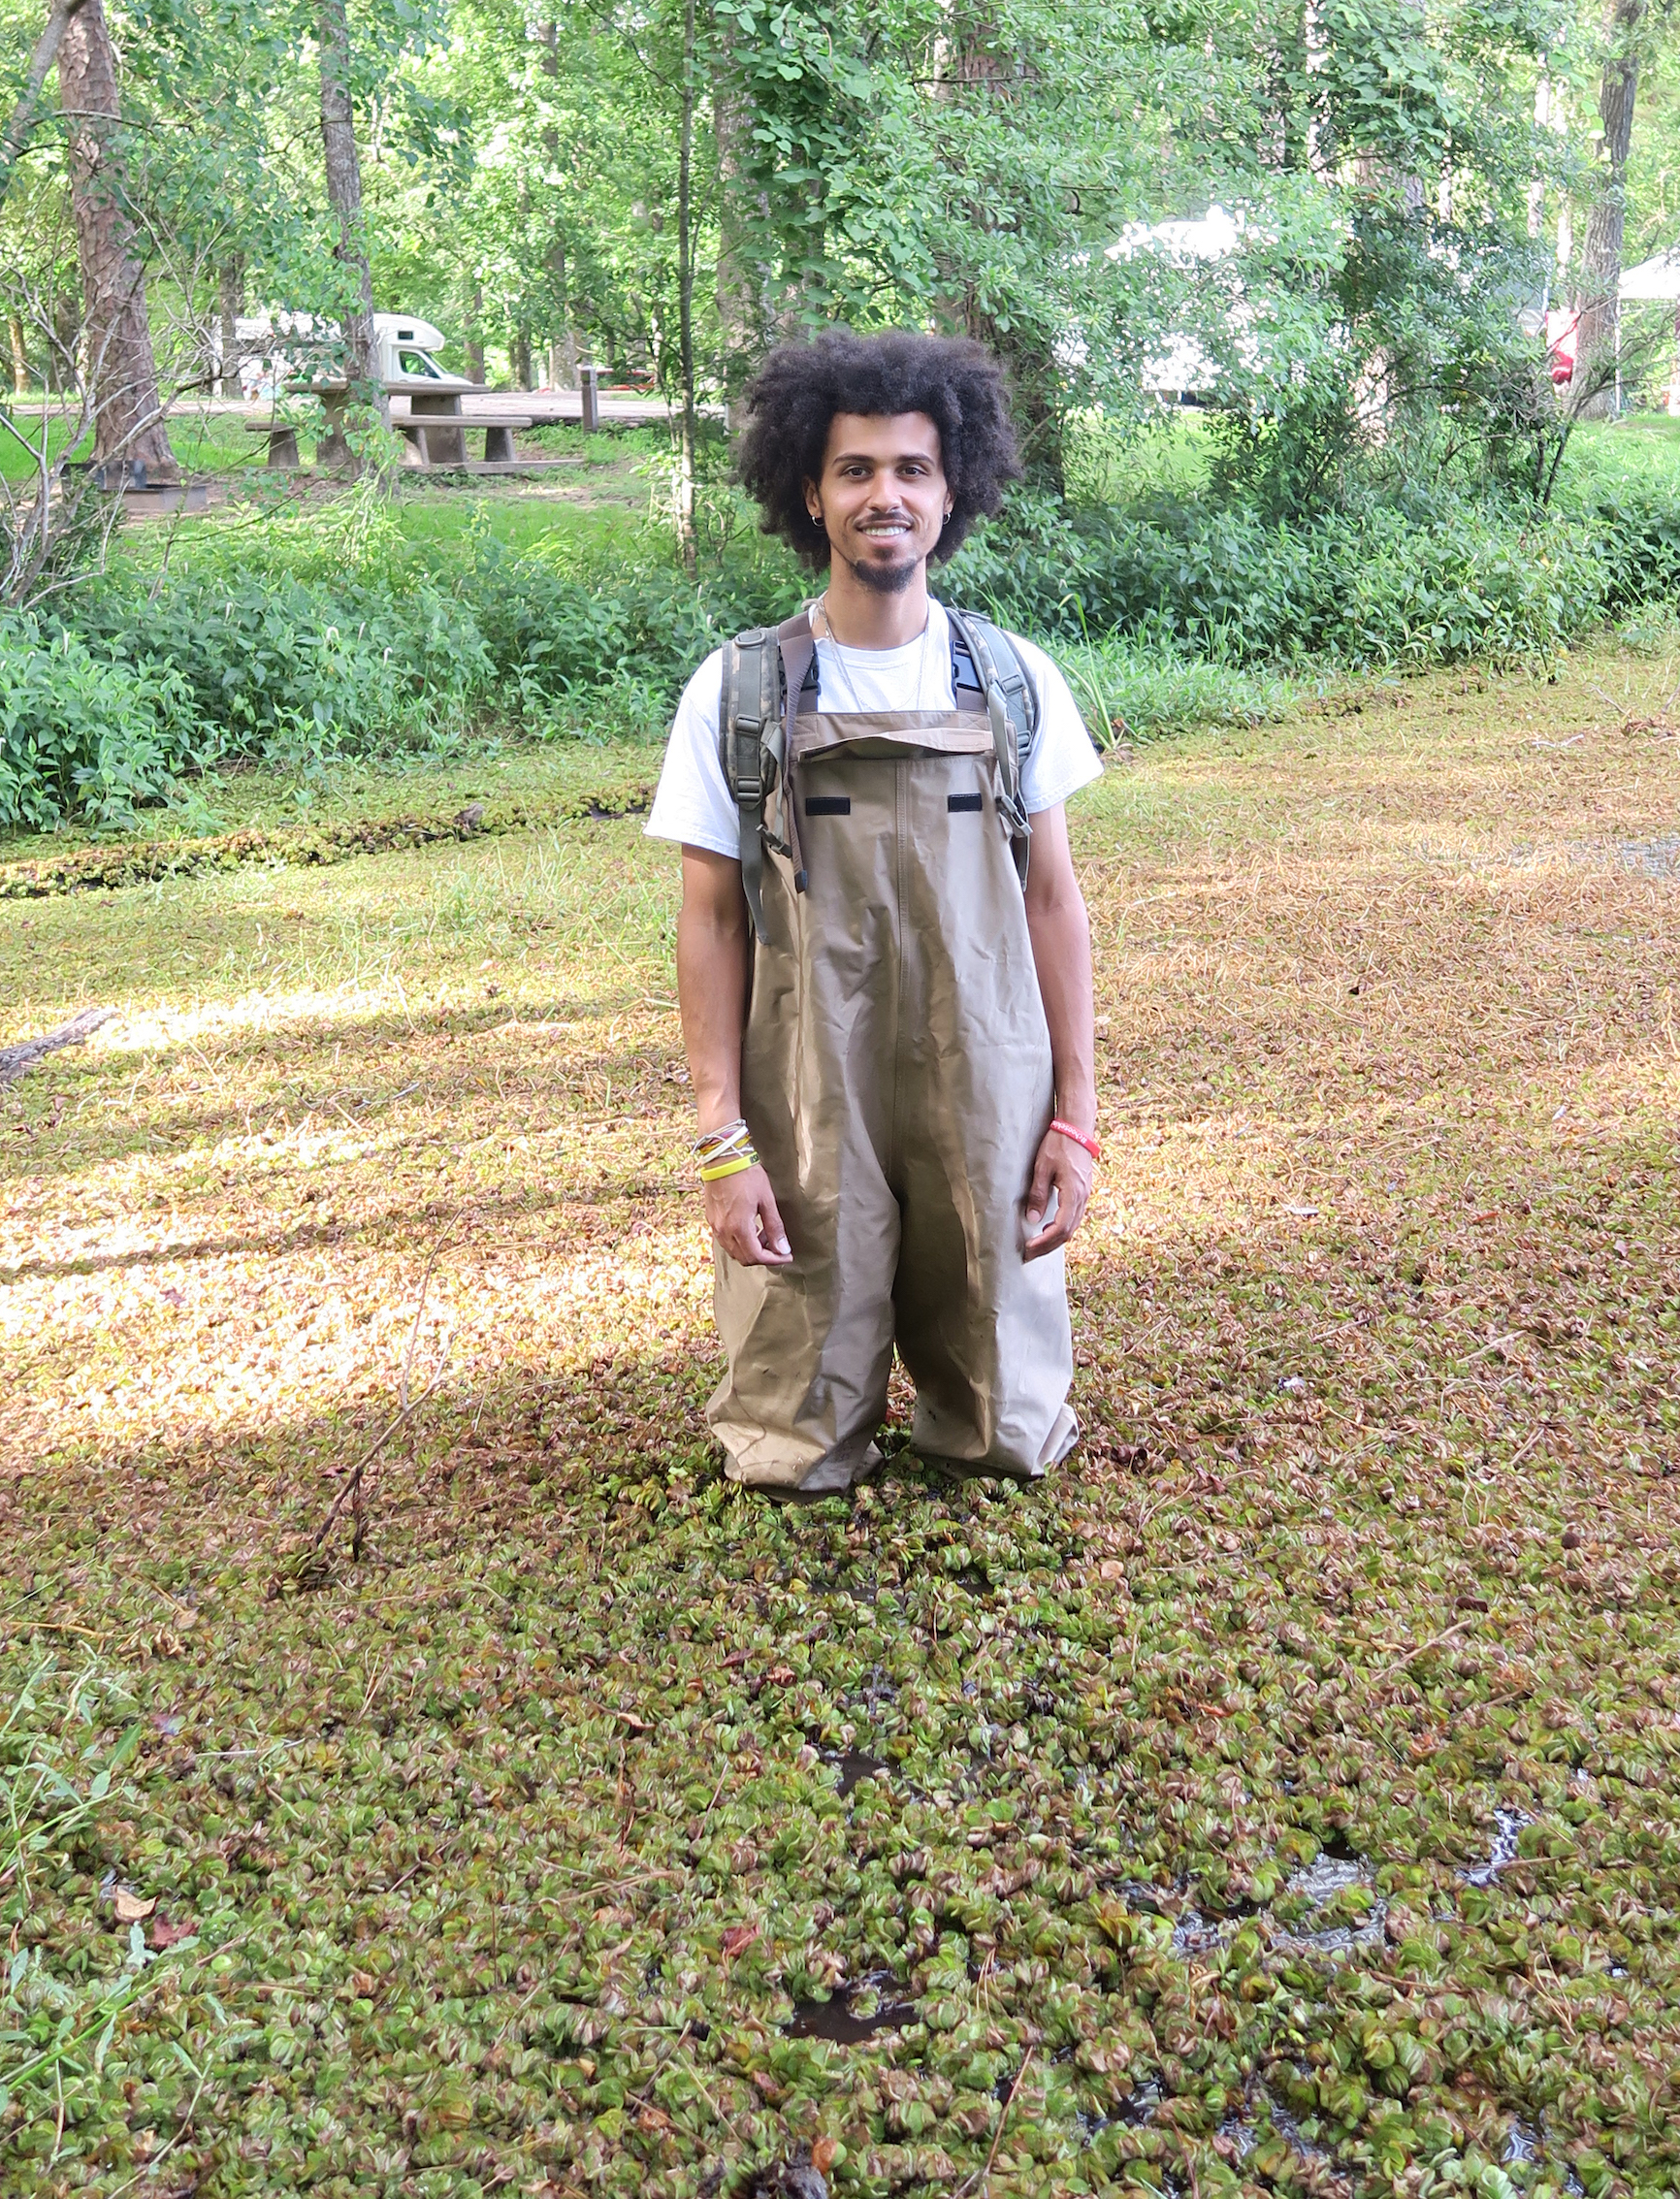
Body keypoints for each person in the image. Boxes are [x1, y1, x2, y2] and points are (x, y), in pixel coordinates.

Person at [646, 329, 1101, 1499]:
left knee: (1006, 1421)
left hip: (987, 1067)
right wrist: (718, 1136)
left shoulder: (1012, 680)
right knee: (789, 1439)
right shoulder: (739, 690)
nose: (883, 495)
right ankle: (814, 1430)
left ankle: (978, 1415)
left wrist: (1079, 1118)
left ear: (952, 493)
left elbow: (1053, 898)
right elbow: (708, 920)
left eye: (911, 468)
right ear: (811, 491)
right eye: (855, 470)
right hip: (805, 1070)